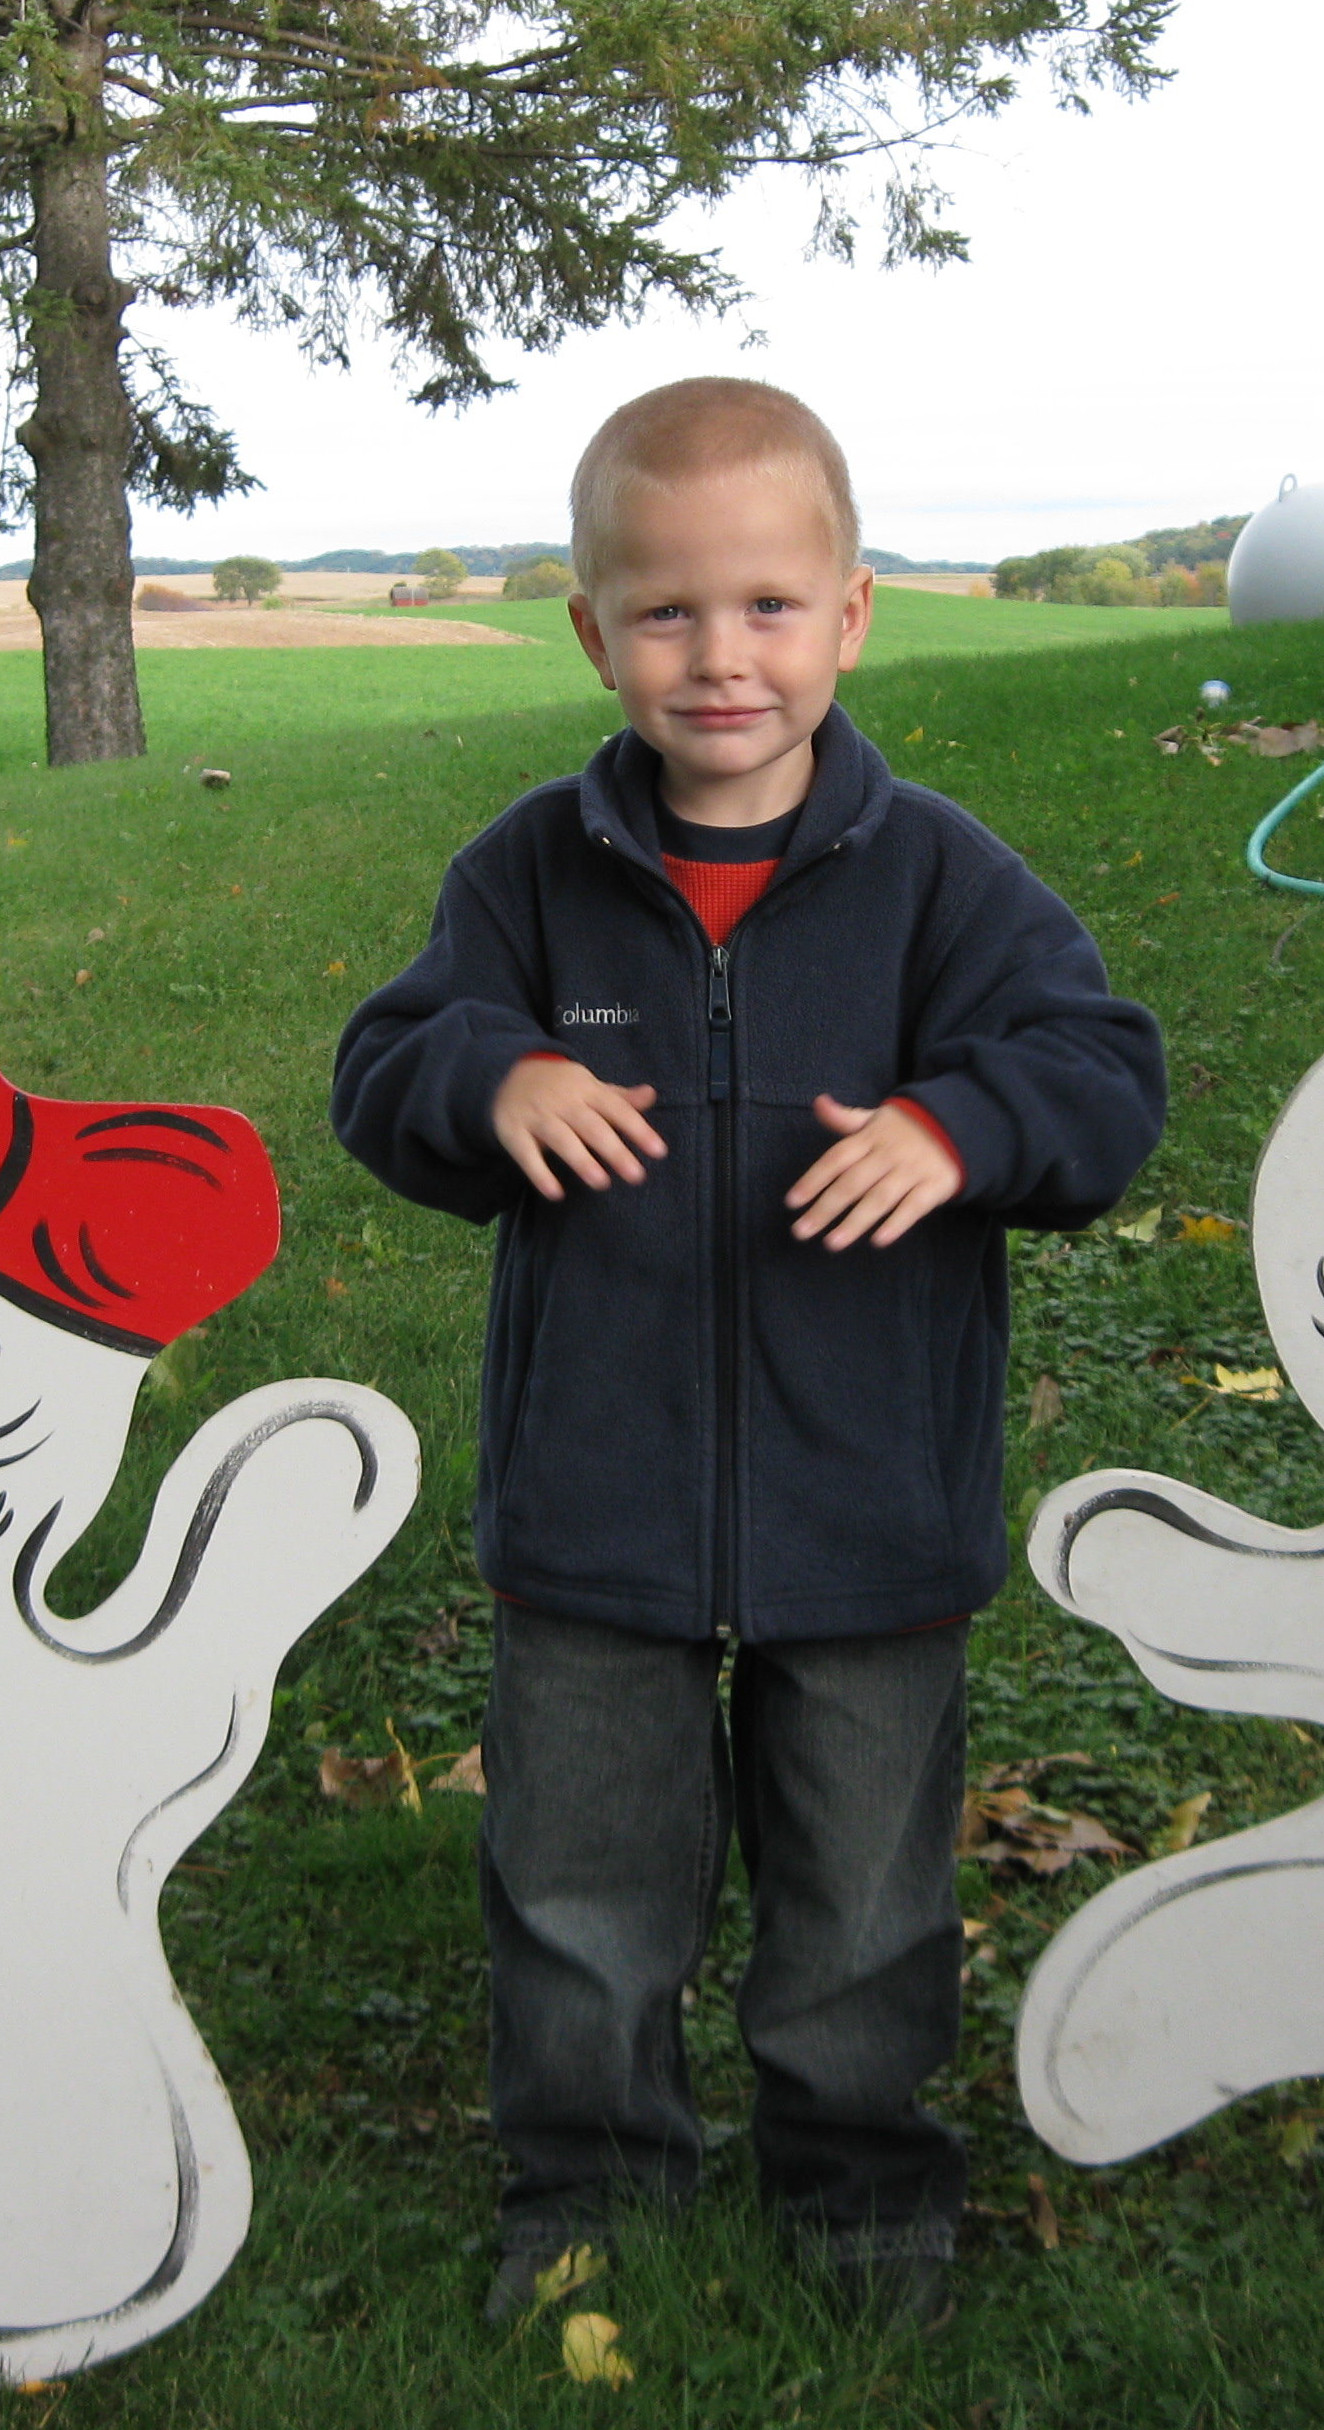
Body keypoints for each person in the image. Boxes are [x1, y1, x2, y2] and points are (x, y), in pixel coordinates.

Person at [330, 376, 1165, 2334]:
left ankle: (866, 2186)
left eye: (770, 607)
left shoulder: (941, 877)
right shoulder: (529, 878)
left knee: (864, 1901)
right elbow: (384, 1066)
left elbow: (1100, 1075)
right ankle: (592, 2184)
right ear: (593, 630)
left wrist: (960, 1128)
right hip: (598, 1503)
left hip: (866, 1499)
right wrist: (495, 1074)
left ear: (852, 614)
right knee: (577, 1894)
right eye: (670, 610)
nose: (723, 656)